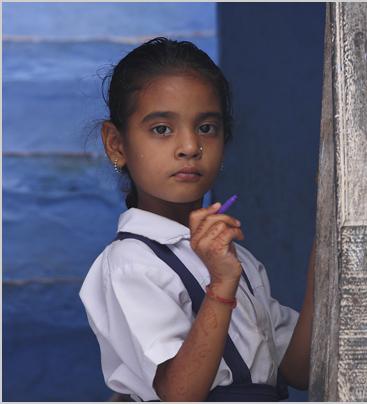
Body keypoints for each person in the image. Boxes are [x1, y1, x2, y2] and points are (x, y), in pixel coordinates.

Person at [79, 37, 315, 402]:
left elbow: (299, 370)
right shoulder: (131, 265)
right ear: (117, 144)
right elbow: (179, 395)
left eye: (207, 127)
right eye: (161, 129)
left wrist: (325, 261)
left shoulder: (238, 261)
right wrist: (221, 285)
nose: (190, 146)